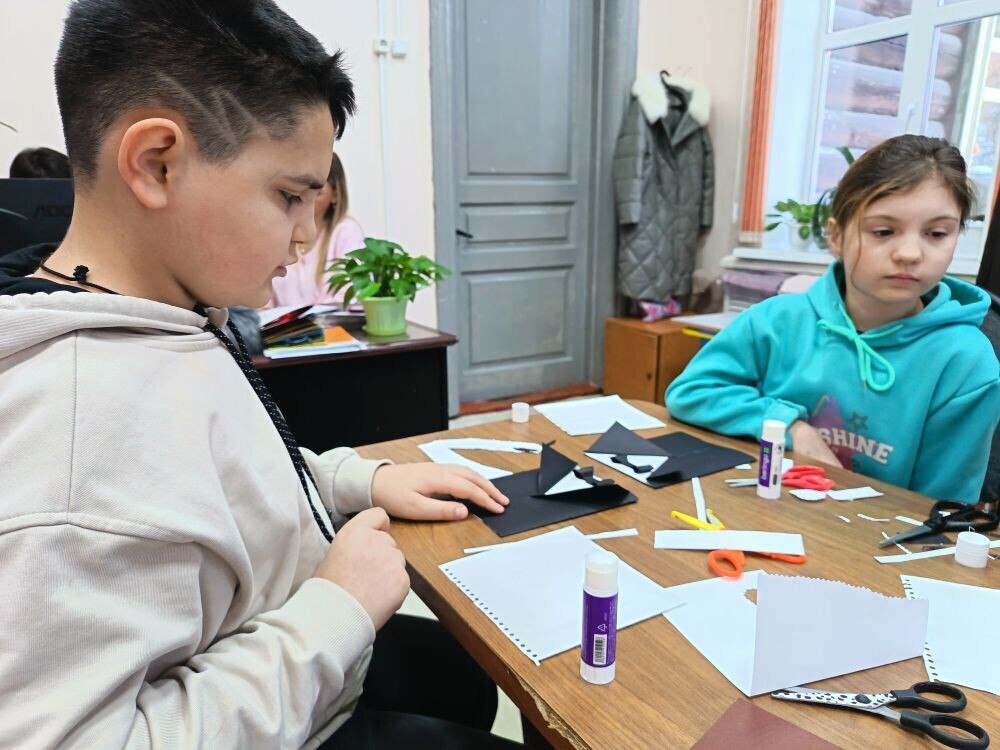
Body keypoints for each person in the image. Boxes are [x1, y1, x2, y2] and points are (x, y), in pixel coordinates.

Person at [0, 1, 527, 747]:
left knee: (461, 673)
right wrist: (336, 610)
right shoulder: (75, 436)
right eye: (290, 196)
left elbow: (212, 484)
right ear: (156, 163)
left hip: (283, 660)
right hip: (290, 701)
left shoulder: (166, 316)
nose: (308, 233)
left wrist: (351, 481)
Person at [667, 135, 1000, 504]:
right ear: (837, 236)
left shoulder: (966, 362)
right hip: (766, 514)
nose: (909, 253)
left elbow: (941, 511)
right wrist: (792, 427)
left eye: (936, 234)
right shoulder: (778, 320)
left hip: (877, 534)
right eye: (883, 232)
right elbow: (690, 392)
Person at [269, 152, 364, 307]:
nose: (305, 201)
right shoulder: (277, 232)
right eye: (299, 192)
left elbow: (349, 294)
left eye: (317, 193)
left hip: (331, 322)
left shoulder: (345, 231)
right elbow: (264, 300)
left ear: (336, 195)